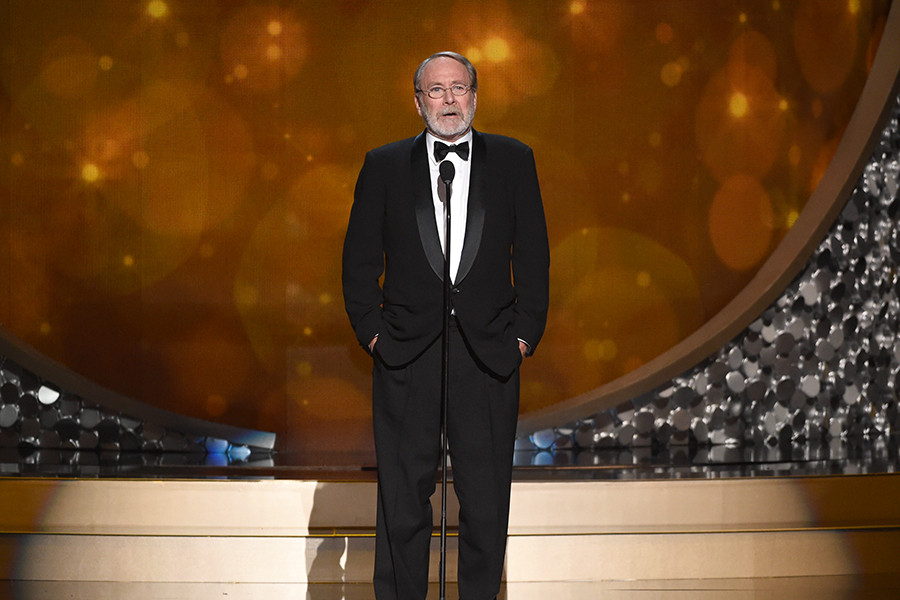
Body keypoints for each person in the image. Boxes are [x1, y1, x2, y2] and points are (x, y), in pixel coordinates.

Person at [341, 51, 549, 600]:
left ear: (476, 97)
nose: (450, 99)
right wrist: (375, 334)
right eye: (437, 90)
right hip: (406, 357)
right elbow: (359, 261)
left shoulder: (513, 160)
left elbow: (532, 257)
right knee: (403, 502)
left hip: (489, 356)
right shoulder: (383, 165)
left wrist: (523, 336)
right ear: (418, 102)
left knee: (484, 503)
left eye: (460, 88)